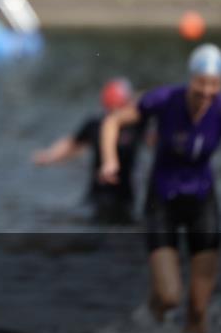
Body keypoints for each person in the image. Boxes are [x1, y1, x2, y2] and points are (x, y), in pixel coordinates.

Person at [99, 44, 221, 333]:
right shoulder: (165, 99)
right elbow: (112, 121)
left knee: (197, 310)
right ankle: (148, 322)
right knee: (170, 297)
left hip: (202, 203)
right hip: (162, 202)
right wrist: (109, 160)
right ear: (190, 78)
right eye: (200, 84)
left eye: (214, 85)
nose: (206, 92)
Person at [32, 77, 145, 224]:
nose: (113, 112)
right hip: (97, 194)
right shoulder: (95, 124)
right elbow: (72, 143)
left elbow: (152, 128)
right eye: (111, 107)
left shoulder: (136, 126)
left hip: (124, 196)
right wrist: (49, 156)